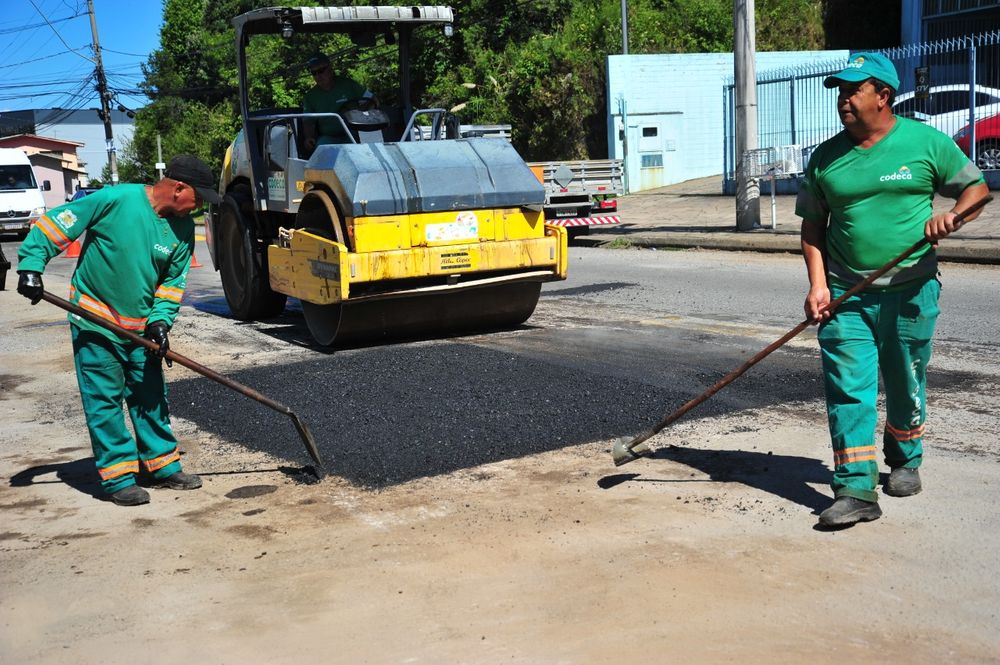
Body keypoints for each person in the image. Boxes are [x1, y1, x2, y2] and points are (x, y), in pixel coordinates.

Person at [796, 52, 988, 527]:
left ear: (883, 95)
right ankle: (855, 487)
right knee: (848, 390)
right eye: (840, 91)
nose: (843, 99)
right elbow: (812, 228)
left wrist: (953, 216)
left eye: (853, 90)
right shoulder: (825, 157)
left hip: (911, 291)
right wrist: (818, 285)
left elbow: (977, 190)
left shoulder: (925, 142)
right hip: (846, 295)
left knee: (905, 380)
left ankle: (905, 457)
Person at [16, 155, 223, 507]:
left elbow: (172, 282)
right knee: (104, 401)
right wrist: (32, 265)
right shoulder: (117, 199)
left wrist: (160, 321)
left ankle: (162, 465)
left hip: (140, 329)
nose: (199, 206)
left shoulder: (183, 228)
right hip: (95, 321)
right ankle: (119, 478)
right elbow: (58, 224)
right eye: (198, 197)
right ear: (178, 188)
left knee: (150, 397)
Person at [301, 52, 376, 151]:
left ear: (330, 68)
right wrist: (309, 137)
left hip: (354, 133)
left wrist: (357, 112)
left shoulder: (348, 84)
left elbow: (373, 100)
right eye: (314, 73)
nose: (318, 76)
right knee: (321, 147)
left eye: (321, 71)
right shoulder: (310, 96)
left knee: (364, 146)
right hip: (329, 138)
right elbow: (308, 121)